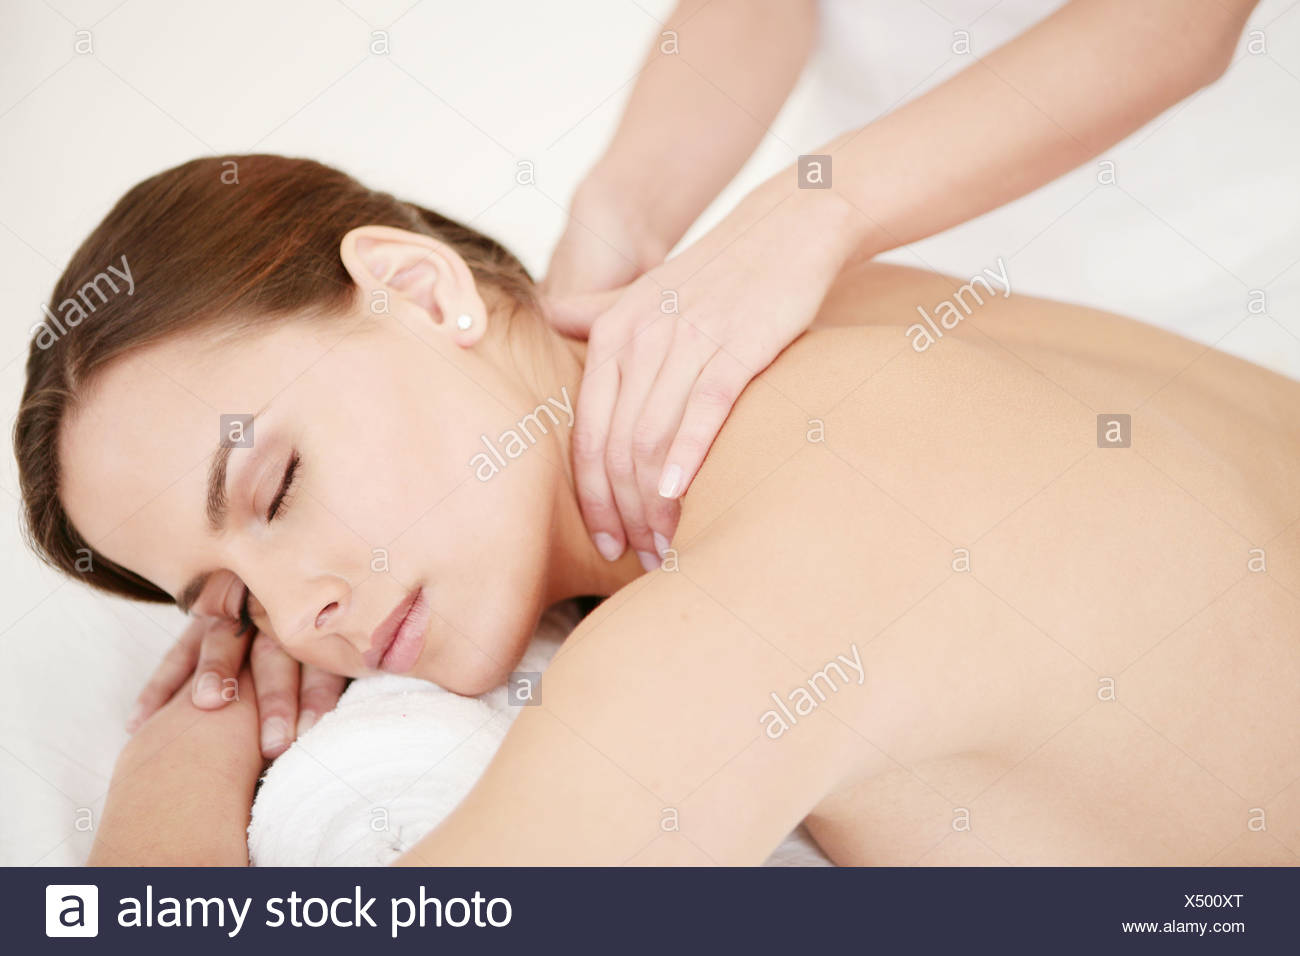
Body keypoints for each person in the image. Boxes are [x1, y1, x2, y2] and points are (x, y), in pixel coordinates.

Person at [16, 155, 1298, 865]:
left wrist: (177, 754)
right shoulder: (836, 311)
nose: (302, 616)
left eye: (276, 487)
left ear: (419, 289)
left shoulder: (748, 595)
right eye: (233, 604)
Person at [541, 0, 1261, 573]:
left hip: (1184, 247)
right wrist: (624, 209)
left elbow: (1178, 18)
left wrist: (815, 211)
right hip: (852, 260)